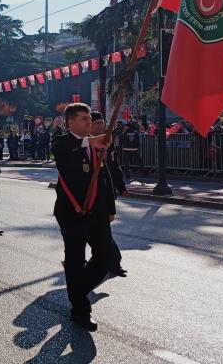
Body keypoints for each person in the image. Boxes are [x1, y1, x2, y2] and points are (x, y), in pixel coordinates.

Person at [52, 103, 113, 331]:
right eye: (84, 119)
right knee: (75, 260)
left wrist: (110, 208)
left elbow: (103, 178)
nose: (90, 122)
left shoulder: (96, 144)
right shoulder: (61, 141)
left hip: (96, 211)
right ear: (71, 123)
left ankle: (76, 290)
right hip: (72, 213)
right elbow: (63, 151)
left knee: (104, 259)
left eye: (90, 118)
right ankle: (80, 310)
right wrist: (90, 142)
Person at [91, 112, 128, 278]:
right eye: (97, 123)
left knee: (103, 232)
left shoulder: (108, 142)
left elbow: (114, 165)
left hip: (107, 192)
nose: (100, 126)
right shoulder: (85, 143)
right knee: (96, 233)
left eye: (102, 122)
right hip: (91, 195)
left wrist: (121, 186)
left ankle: (112, 262)